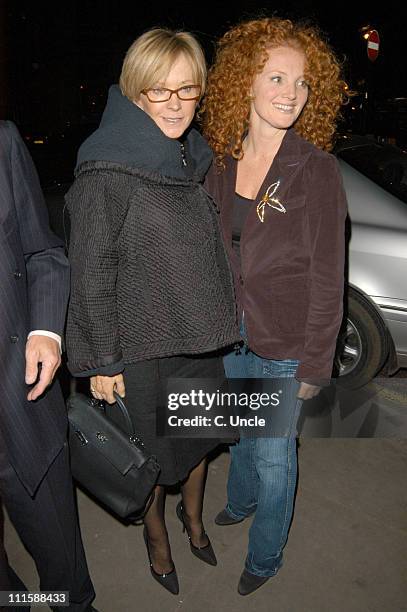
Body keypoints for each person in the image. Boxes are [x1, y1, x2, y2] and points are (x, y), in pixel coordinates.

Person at [65, 28, 239, 595]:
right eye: (158, 91)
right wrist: (101, 361)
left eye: (187, 90)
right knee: (155, 458)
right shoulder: (106, 164)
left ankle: (194, 521)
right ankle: (158, 538)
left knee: (198, 441)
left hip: (198, 333)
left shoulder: (193, 153)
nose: (174, 104)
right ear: (134, 91)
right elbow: (91, 269)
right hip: (141, 347)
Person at [202, 17, 348, 595]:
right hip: (227, 334)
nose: (292, 93)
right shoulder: (220, 160)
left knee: (274, 458)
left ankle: (265, 559)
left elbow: (328, 276)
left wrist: (316, 363)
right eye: (278, 78)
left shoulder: (314, 170)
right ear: (245, 83)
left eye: (303, 82)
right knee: (239, 432)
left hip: (285, 342)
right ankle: (237, 505)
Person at [0, 121, 96, 611]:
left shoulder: (2, 141)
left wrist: (45, 329)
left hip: (18, 395)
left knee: (57, 542)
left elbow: (42, 250)